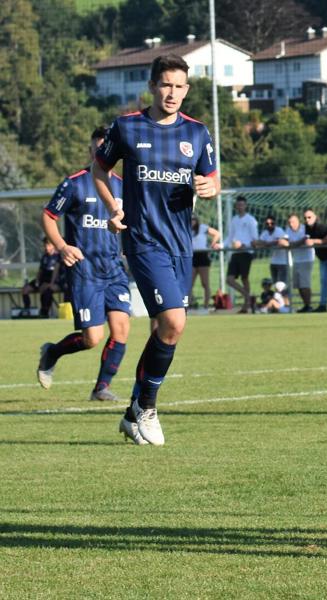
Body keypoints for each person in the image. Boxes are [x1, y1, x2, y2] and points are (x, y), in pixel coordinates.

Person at [93, 53, 220, 445]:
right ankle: (146, 407)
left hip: (180, 243)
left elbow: (213, 178)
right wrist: (114, 207)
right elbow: (100, 168)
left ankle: (134, 410)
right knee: (175, 321)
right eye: (166, 84)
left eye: (180, 86)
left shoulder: (198, 133)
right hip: (143, 241)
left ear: (187, 89)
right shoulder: (127, 127)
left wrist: (210, 187)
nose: (173, 93)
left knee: (168, 329)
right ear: (152, 85)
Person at [36, 127, 131, 402]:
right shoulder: (75, 183)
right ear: (91, 152)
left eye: (105, 149)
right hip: (85, 270)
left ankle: (101, 387)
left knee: (122, 328)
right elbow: (48, 216)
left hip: (113, 268)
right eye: (97, 148)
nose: (101, 153)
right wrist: (63, 246)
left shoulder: (123, 185)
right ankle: (52, 352)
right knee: (92, 338)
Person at [226, 196, 258, 313]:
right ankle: (248, 297)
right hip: (235, 253)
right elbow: (230, 237)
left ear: (246, 206)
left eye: (242, 205)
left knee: (244, 278)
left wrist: (244, 245)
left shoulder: (251, 220)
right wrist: (221, 245)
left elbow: (255, 239)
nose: (240, 207)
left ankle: (246, 305)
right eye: (238, 205)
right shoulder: (234, 220)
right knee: (229, 279)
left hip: (246, 252)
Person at [21, 237, 62, 317]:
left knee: (45, 289)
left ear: (53, 245)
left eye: (48, 245)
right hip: (42, 279)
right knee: (25, 290)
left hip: (51, 280)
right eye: (44, 245)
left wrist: (51, 283)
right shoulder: (44, 257)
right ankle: (27, 310)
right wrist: (37, 280)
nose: (46, 247)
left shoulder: (57, 257)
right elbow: (40, 270)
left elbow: (56, 271)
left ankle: (44, 311)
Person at [256, 214, 290, 307]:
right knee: (276, 285)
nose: (269, 225)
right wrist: (271, 243)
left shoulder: (279, 231)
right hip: (273, 262)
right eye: (267, 223)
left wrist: (268, 243)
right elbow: (259, 243)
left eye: (272, 223)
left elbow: (281, 242)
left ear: (275, 223)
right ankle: (279, 305)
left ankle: (287, 305)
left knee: (282, 286)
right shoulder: (265, 233)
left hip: (282, 262)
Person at [190, 215, 221, 310]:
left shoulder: (203, 228)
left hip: (202, 256)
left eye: (194, 219)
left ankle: (206, 305)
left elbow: (217, 233)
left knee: (205, 283)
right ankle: (191, 303)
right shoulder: (186, 229)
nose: (192, 221)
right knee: (189, 283)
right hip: (192, 255)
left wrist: (212, 244)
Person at [285, 213, 314, 312]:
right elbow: (286, 243)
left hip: (307, 259)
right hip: (296, 259)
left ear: (298, 221)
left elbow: (305, 241)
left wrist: (294, 244)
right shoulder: (288, 230)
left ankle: (309, 305)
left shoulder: (305, 228)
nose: (291, 224)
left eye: (293, 222)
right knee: (298, 285)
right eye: (289, 222)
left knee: (305, 284)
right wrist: (296, 243)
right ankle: (306, 305)